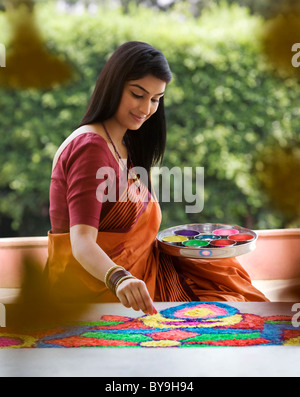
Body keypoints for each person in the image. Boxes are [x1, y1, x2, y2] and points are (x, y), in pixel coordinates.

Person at [45, 41, 268, 314]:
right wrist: (121, 278)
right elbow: (81, 243)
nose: (146, 108)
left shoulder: (124, 143)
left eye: (155, 99)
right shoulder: (90, 147)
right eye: (137, 94)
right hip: (99, 286)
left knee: (224, 274)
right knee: (223, 307)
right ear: (113, 86)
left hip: (143, 271)